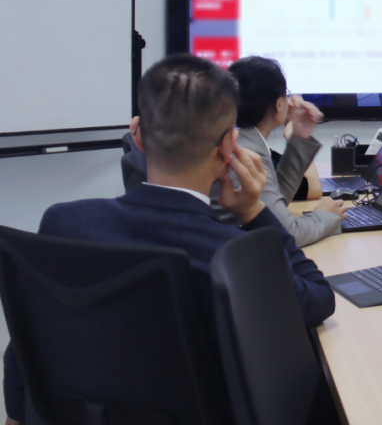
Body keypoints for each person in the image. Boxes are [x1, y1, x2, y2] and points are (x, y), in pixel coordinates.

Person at [3, 54, 336, 424]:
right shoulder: (232, 257)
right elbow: (318, 298)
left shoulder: (63, 223)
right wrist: (254, 212)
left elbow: (26, 354)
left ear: (138, 135)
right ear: (229, 147)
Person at [228, 56, 346, 248]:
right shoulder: (246, 151)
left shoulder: (244, 140)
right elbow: (288, 234)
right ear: (278, 104)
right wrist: (324, 216)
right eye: (287, 94)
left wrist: (299, 137)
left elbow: (274, 204)